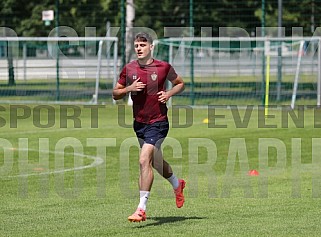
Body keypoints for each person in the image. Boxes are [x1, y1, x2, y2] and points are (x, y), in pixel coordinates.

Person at [113, 32, 186, 222]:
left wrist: (169, 93)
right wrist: (129, 89)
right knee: (156, 162)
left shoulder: (163, 67)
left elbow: (180, 84)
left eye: (142, 45)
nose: (139, 48)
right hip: (139, 124)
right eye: (136, 45)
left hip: (159, 122)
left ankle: (141, 208)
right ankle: (178, 184)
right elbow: (115, 93)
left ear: (151, 47)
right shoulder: (129, 69)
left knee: (144, 160)